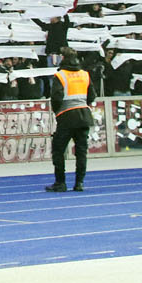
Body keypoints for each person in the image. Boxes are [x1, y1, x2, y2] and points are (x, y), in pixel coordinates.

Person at [45, 52, 97, 192]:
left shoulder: (60, 75)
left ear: (63, 59)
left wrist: (57, 112)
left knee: (58, 150)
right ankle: (79, 183)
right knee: (81, 151)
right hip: (84, 115)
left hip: (66, 116)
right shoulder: (84, 74)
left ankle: (60, 182)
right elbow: (92, 95)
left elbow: (56, 97)